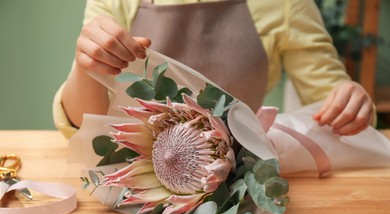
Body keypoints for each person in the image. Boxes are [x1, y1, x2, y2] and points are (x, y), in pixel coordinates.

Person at [53, 0, 375, 139]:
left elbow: (336, 107)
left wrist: (353, 103)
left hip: (242, 192)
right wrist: (87, 65)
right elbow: (84, 125)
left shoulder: (285, 4)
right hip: (134, 190)